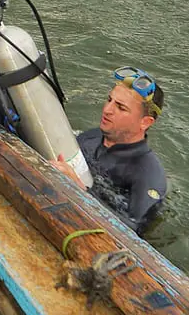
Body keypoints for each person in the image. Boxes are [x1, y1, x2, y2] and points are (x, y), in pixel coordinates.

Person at [56, 67, 167, 234]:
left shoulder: (148, 175)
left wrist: (79, 191)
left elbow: (133, 230)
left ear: (145, 122)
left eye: (121, 108)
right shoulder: (90, 137)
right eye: (109, 100)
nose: (107, 110)